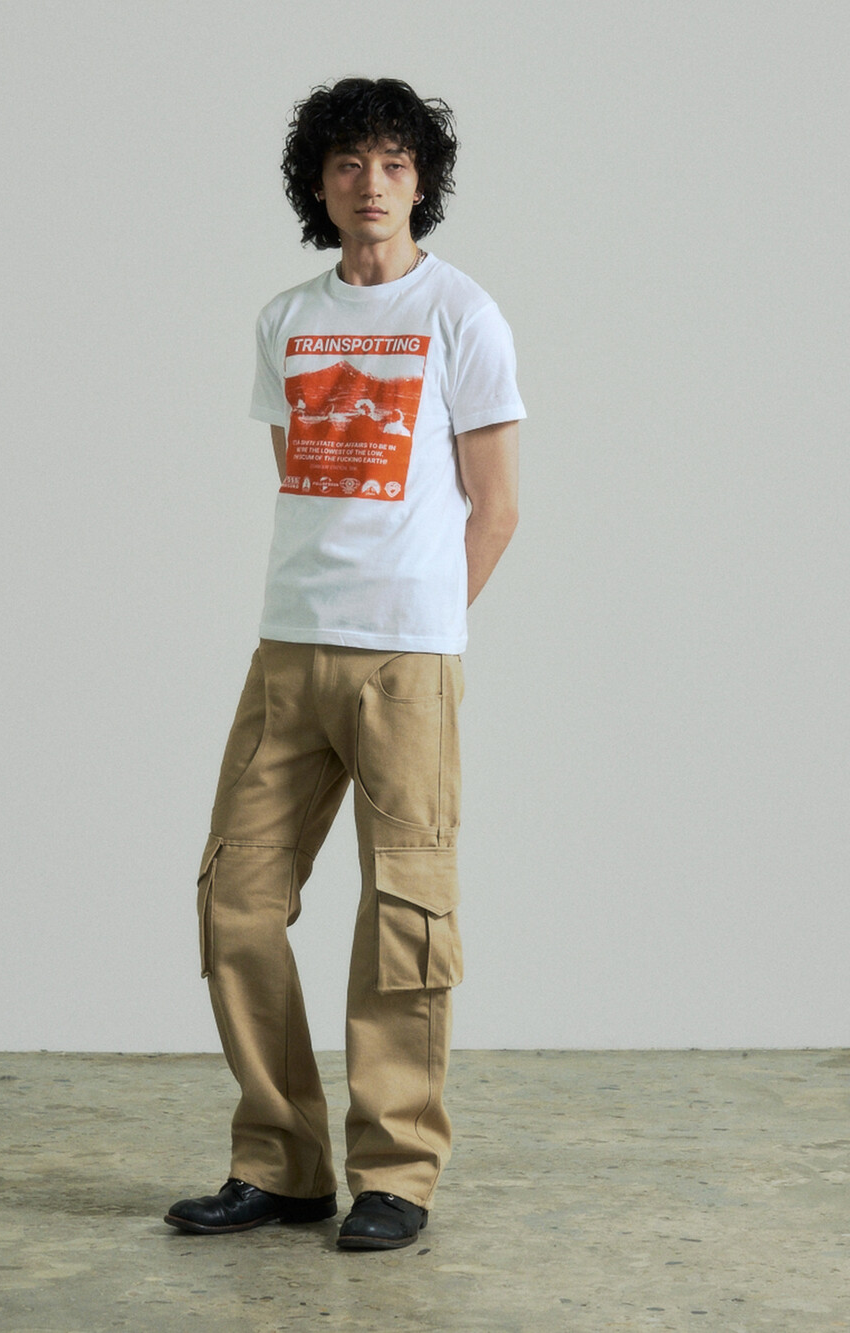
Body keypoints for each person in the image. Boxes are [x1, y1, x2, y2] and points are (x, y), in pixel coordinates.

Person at [164, 77, 526, 1251]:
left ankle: (396, 1173)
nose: (371, 185)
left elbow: (496, 504)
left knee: (405, 912)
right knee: (235, 900)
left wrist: (424, 623)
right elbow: (301, 474)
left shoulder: (461, 314)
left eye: (394, 164)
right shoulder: (286, 318)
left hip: (406, 663)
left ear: (422, 183)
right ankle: (280, 1163)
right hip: (287, 648)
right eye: (348, 164)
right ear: (316, 185)